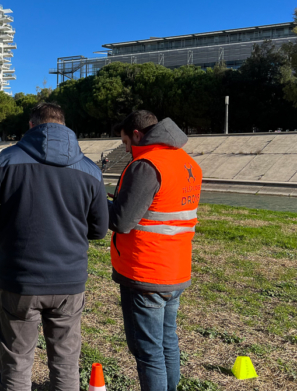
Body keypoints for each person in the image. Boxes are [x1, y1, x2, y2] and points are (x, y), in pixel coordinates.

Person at [0, 102, 109, 391]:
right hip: (69, 282)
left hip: (20, 281)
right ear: (65, 126)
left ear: (31, 127)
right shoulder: (91, 170)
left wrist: (12, 217)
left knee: (16, 361)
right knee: (66, 361)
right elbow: (98, 229)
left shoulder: (6, 159)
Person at [108, 110, 202, 391]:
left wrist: (99, 201)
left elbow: (122, 222)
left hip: (146, 271)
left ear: (137, 135)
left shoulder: (147, 165)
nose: (126, 150)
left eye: (126, 143)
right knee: (167, 343)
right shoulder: (188, 163)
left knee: (148, 352)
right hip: (176, 269)